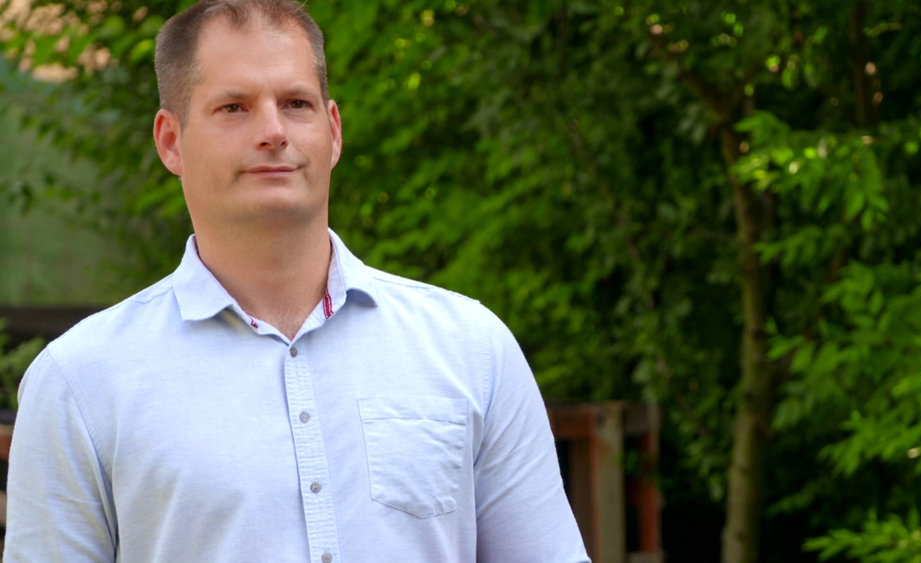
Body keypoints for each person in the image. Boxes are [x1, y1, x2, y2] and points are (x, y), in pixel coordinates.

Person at [3, 1, 590, 561]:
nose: (273, 130)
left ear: (333, 131)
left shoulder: (471, 350)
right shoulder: (80, 382)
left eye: (296, 103)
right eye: (234, 107)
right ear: (170, 141)